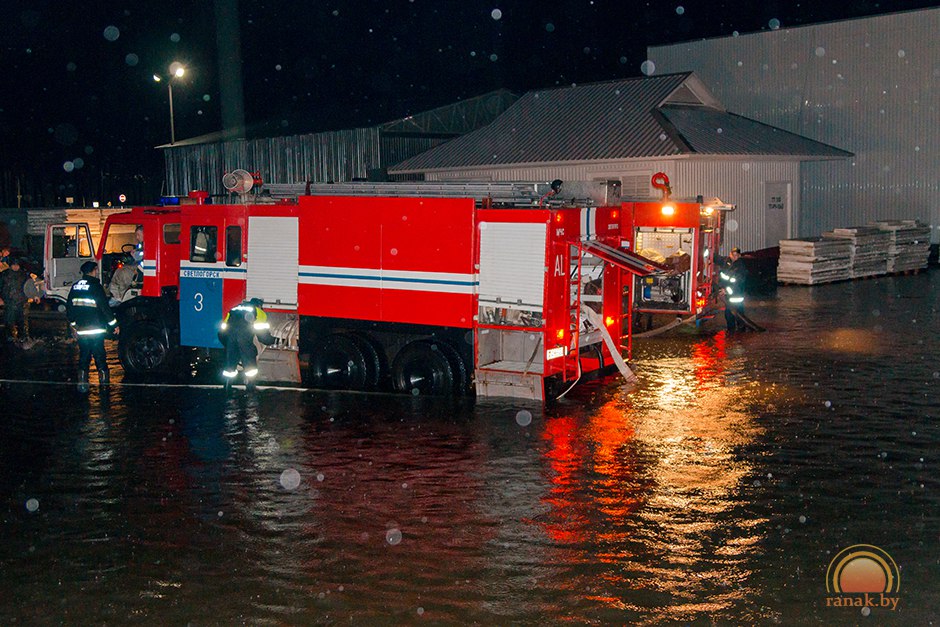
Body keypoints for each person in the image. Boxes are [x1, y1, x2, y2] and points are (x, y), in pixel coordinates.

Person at [66, 261, 118, 391]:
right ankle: (104, 386)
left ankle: (82, 384)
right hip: (96, 329)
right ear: (93, 271)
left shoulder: (75, 286)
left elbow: (70, 308)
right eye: (96, 270)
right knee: (100, 357)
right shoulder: (96, 286)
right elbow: (104, 308)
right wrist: (114, 325)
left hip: (82, 330)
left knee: (84, 356)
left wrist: (74, 325)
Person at [218, 297, 275, 389]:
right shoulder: (259, 312)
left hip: (229, 339)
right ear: (259, 306)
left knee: (230, 365)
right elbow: (262, 335)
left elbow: (222, 331)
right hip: (244, 339)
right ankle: (250, 388)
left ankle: (227, 388)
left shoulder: (234, 309)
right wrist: (272, 340)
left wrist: (228, 344)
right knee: (250, 367)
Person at [718, 247, 748, 333]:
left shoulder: (740, 267)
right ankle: (733, 331)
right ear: (730, 254)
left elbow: (737, 283)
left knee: (736, 313)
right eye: (733, 255)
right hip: (729, 295)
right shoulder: (727, 262)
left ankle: (737, 332)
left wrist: (726, 291)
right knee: (729, 315)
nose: (734, 257)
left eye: (736, 255)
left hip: (736, 295)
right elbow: (718, 259)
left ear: (739, 256)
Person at [0, 258, 29, 340]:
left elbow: (29, 286)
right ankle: (9, 337)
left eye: (17, 265)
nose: (15, 267)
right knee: (9, 320)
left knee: (21, 320)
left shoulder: (23, 275)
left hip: (20, 300)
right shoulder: (4, 274)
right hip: (8, 300)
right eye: (14, 265)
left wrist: (33, 295)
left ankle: (22, 338)